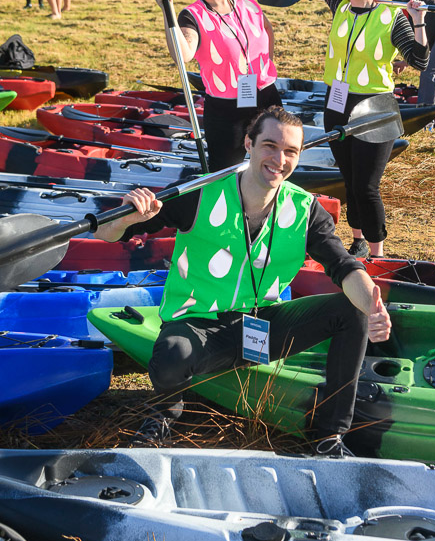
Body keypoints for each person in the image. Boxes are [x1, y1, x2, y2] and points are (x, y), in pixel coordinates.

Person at [96, 105, 392, 456]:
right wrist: (126, 218)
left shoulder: (305, 209)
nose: (279, 160)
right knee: (173, 355)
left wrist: (372, 306)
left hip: (262, 324)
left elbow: (343, 266)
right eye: (270, 146)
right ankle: (164, 414)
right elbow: (106, 234)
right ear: (249, 144)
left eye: (290, 151)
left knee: (353, 310)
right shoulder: (199, 193)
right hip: (199, 323)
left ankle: (328, 437)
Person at [278, 0, 429, 259]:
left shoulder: (392, 17)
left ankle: (377, 254)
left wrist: (419, 21)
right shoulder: (340, 5)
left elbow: (419, 60)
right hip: (337, 102)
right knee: (349, 179)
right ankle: (358, 239)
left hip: (376, 108)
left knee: (367, 186)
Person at [155, 0, 281, 171]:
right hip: (226, 110)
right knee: (225, 173)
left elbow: (267, 29)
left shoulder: (245, 2)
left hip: (266, 98)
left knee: (274, 164)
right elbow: (183, 54)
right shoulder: (192, 15)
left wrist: (266, 68)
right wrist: (167, 11)